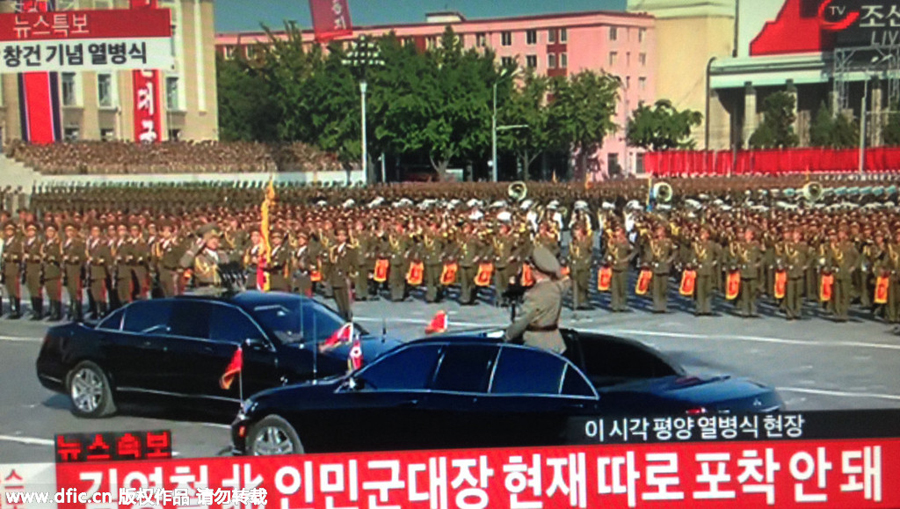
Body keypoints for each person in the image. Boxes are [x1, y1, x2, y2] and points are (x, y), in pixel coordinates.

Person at [503, 245, 571, 355]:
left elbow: (521, 322)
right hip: (556, 343)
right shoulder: (557, 287)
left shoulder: (534, 294)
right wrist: (555, 270)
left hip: (537, 345)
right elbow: (565, 280)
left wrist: (507, 336)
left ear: (534, 269)